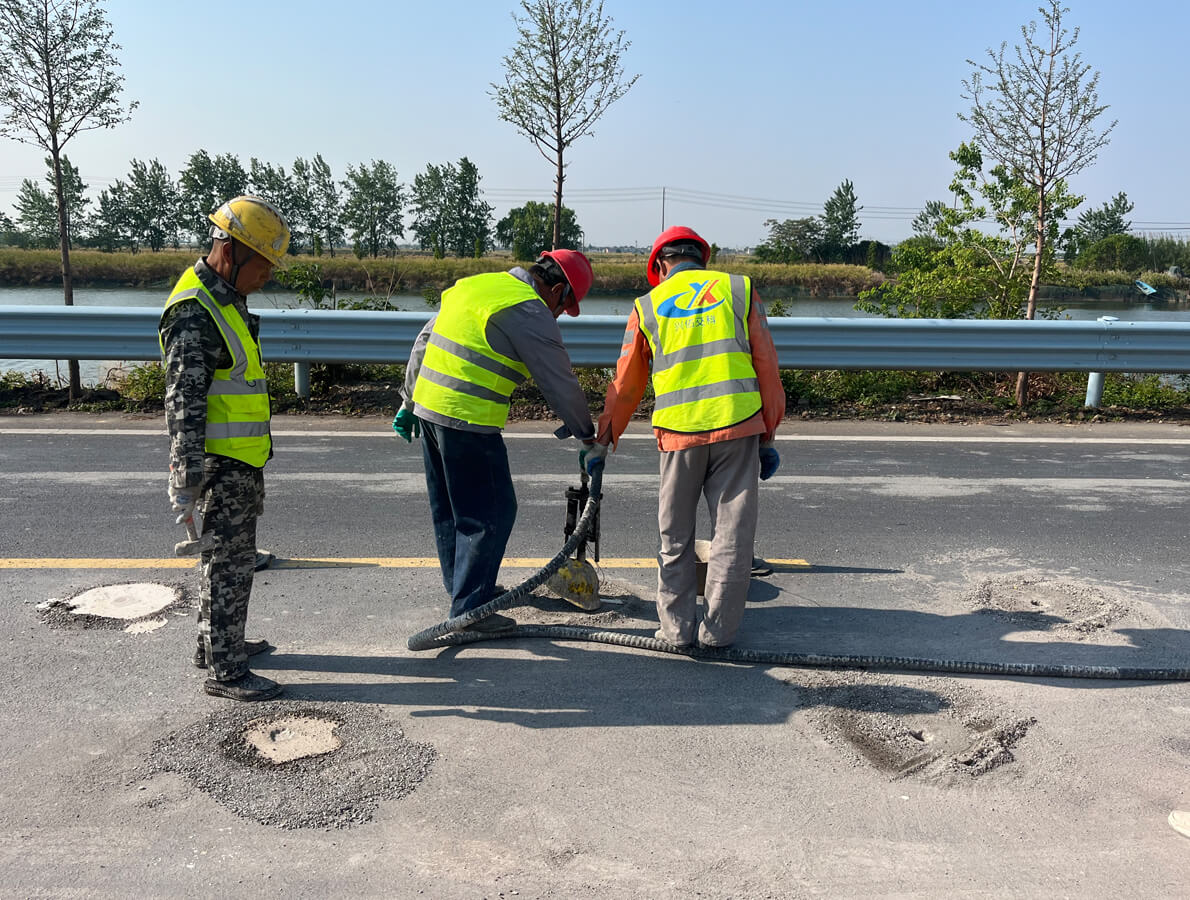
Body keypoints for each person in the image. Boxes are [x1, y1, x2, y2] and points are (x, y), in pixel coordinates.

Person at [591, 226, 785, 649]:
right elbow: (766, 366)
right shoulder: (739, 289)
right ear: (702, 258)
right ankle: (719, 634)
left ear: (660, 266)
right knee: (732, 537)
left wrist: (604, 439)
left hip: (678, 437)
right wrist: (768, 435)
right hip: (738, 428)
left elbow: (625, 385)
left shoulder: (648, 305)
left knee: (675, 536)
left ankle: (676, 632)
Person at [394, 250, 602, 631]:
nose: (557, 316)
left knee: (452, 510)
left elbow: (425, 339)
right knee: (492, 513)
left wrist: (409, 400)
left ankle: (464, 590)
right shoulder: (530, 309)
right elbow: (558, 381)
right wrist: (588, 437)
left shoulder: (478, 285)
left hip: (428, 410)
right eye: (563, 308)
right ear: (556, 290)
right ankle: (469, 610)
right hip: (467, 418)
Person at [159, 196, 291, 702]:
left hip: (239, 461)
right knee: (227, 565)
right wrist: (187, 478)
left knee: (227, 562)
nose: (268, 276)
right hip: (217, 465)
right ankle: (225, 670)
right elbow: (184, 404)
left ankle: (216, 645)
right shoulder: (196, 312)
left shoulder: (226, 300)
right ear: (232, 251)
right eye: (263, 265)